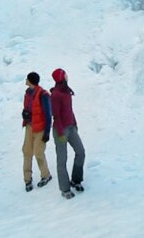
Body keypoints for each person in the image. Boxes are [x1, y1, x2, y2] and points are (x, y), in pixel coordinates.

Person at [50, 68, 85, 199]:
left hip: (71, 128)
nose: (67, 76)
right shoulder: (55, 95)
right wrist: (61, 133)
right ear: (61, 77)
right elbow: (56, 116)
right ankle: (65, 189)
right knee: (62, 159)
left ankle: (76, 180)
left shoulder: (67, 91)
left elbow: (70, 110)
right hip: (61, 131)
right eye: (65, 74)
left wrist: (74, 124)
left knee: (81, 152)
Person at [22, 71, 52, 192]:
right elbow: (28, 108)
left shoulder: (43, 95)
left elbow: (48, 115)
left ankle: (46, 175)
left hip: (40, 129)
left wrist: (47, 133)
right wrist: (25, 114)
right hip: (30, 127)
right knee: (27, 152)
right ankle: (27, 179)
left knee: (38, 152)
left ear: (30, 81)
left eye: (27, 79)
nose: (25, 80)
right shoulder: (28, 93)